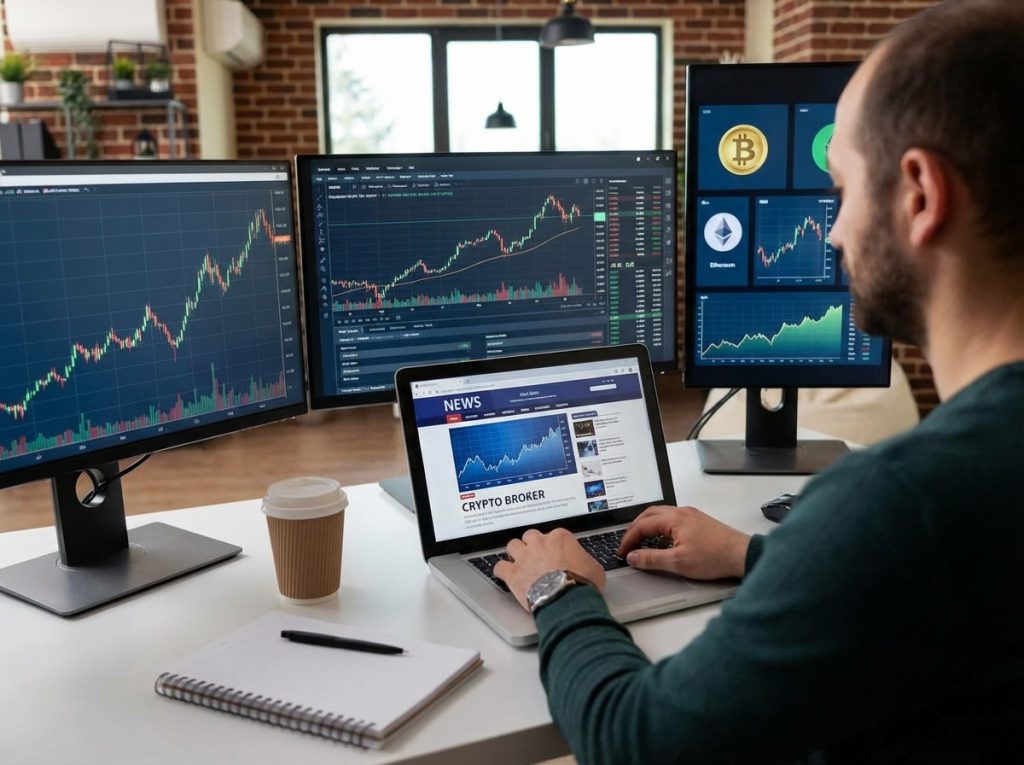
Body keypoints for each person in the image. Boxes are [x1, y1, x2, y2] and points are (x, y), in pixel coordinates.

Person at [494, 1, 1024, 761]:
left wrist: (560, 592)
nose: (834, 230)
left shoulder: (906, 502)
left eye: (841, 188)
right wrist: (757, 555)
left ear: (920, 194)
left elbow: (637, 740)